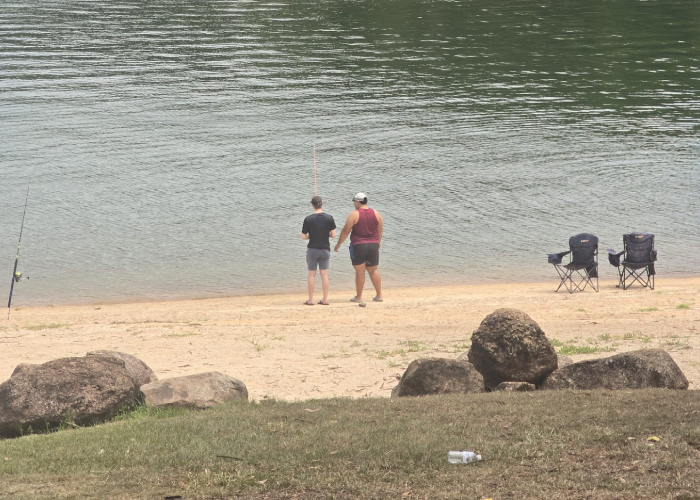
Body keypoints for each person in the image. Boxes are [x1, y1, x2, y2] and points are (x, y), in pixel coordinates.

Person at [333, 192, 383, 306]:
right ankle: (379, 295)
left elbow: (345, 231)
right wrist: (378, 242)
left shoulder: (354, 215)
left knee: (360, 272)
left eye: (354, 202)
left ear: (358, 202)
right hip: (373, 244)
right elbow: (380, 230)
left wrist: (338, 244)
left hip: (359, 245)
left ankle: (359, 297)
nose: (354, 204)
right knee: (373, 270)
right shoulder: (377, 213)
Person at [301, 195, 336, 305]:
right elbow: (333, 235)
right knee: (324, 274)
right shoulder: (329, 218)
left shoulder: (308, 219)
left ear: (312, 205)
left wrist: (311, 236)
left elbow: (303, 236)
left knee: (312, 274)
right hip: (325, 249)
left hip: (312, 249)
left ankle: (310, 300)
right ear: (322, 204)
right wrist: (325, 234)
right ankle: (325, 299)